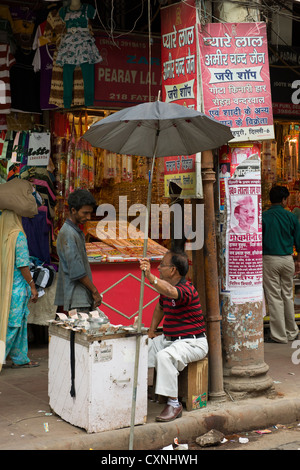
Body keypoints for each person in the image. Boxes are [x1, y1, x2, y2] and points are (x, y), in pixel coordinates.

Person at [139, 250, 208, 422]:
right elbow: (160, 307)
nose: (159, 268)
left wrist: (150, 276)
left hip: (192, 342)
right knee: (139, 349)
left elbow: (170, 291)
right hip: (169, 340)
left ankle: (174, 403)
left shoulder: (186, 289)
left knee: (164, 357)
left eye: (162, 265)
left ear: (173, 270)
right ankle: (135, 394)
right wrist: (151, 331)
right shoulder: (166, 291)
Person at [0, 209, 39, 372]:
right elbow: (22, 264)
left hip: (6, 286)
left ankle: (20, 358)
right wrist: (32, 285)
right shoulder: (18, 236)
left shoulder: (4, 235)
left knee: (19, 324)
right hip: (17, 288)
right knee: (13, 325)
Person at [262, 185, 300, 343]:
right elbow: (298, 240)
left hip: (269, 259)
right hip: (287, 259)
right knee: (287, 296)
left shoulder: (263, 217)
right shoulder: (290, 216)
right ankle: (292, 331)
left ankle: (279, 335)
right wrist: (298, 260)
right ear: (284, 200)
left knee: (275, 297)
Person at [54, 189, 102, 313]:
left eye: (90, 213)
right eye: (85, 213)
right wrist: (95, 291)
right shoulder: (69, 233)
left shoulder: (73, 231)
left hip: (79, 295)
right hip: (77, 296)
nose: (88, 217)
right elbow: (76, 270)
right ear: (73, 210)